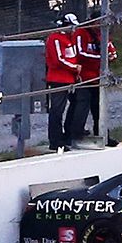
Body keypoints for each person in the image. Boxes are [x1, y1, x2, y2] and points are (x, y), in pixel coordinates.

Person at [70, 15, 116, 143]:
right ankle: (76, 133)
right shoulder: (81, 33)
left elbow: (111, 49)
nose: (99, 25)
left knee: (99, 107)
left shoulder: (102, 33)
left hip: (99, 77)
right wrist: (101, 58)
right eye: (98, 22)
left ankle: (101, 133)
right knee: (82, 105)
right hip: (84, 77)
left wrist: (111, 55)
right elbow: (80, 53)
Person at [44, 14, 81, 151]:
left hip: (69, 77)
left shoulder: (68, 38)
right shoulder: (56, 38)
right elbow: (59, 59)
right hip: (58, 79)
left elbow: (73, 56)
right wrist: (74, 68)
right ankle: (55, 140)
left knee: (77, 103)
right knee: (57, 110)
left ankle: (69, 132)